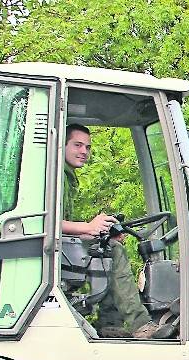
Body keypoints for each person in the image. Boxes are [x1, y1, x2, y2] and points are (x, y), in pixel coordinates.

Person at [60, 124, 164, 339]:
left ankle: (110, 324)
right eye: (77, 145)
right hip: (49, 251)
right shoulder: (56, 176)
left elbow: (62, 226)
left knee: (107, 246)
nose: (84, 152)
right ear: (62, 144)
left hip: (60, 247)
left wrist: (98, 233)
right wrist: (89, 227)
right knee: (113, 252)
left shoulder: (67, 175)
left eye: (87, 147)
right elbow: (46, 223)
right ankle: (139, 324)